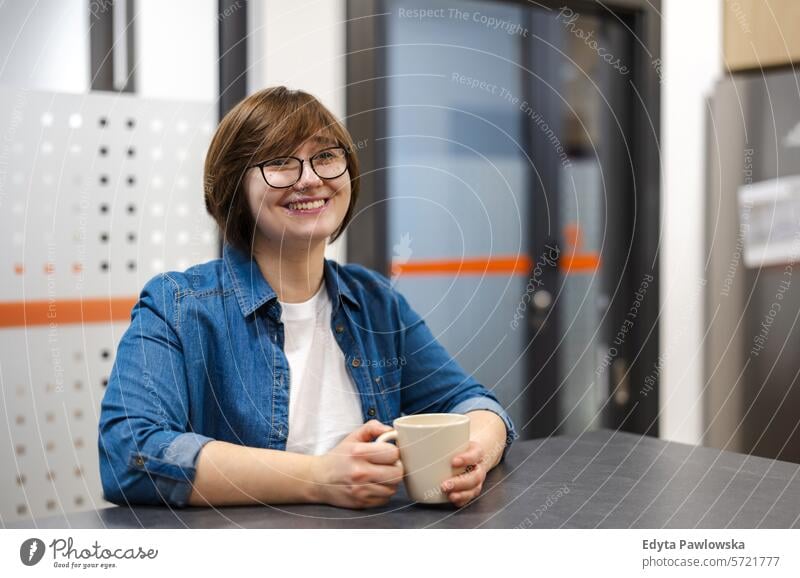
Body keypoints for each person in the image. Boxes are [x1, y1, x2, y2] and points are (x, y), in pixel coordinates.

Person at [98, 86, 517, 510]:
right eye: (280, 162)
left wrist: (475, 453)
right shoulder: (179, 304)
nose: (311, 179)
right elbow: (130, 455)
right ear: (235, 186)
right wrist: (319, 478)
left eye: (326, 157)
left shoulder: (374, 301)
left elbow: (472, 402)